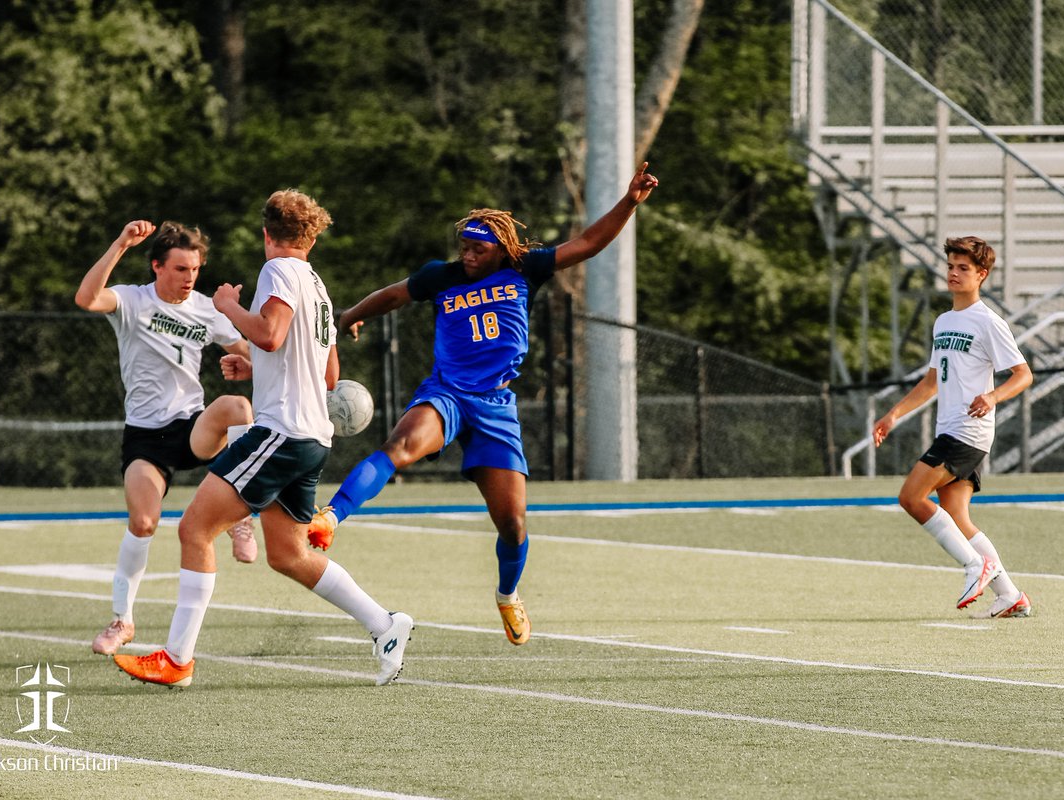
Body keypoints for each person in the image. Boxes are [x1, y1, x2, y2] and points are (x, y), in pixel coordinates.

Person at [307, 163, 660, 646]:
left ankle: (508, 595)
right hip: (448, 394)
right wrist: (349, 316)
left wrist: (629, 202)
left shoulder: (526, 269)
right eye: (465, 248)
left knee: (513, 524)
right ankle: (331, 517)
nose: (469, 256)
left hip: (495, 406)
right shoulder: (443, 276)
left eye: (479, 249)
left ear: (502, 249)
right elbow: (392, 295)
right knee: (399, 445)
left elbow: (588, 245)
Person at [113, 189, 413, 688]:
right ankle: (385, 625)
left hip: (281, 433)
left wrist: (229, 306)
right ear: (311, 237)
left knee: (193, 530)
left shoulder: (278, 271)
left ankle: (177, 659)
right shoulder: (318, 285)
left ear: (267, 234)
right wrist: (256, 368)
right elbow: (326, 372)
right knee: (288, 554)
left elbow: (271, 334)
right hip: (312, 436)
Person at [75, 220, 257, 657]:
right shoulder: (134, 300)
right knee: (143, 523)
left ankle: (241, 514)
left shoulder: (205, 309)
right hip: (144, 436)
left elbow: (252, 352)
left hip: (190, 428)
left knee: (237, 408)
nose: (189, 277)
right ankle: (122, 621)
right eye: (179, 268)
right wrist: (120, 243)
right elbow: (86, 298)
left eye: (194, 269)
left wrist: (249, 364)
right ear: (157, 266)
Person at [873, 236, 1033, 618]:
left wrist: (992, 397)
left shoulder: (988, 321)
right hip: (950, 428)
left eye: (964, 268)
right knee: (957, 518)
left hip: (968, 431)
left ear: (982, 275)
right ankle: (1010, 595)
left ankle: (974, 566)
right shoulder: (944, 321)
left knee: (911, 497)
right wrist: (893, 414)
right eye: (951, 267)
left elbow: (1023, 375)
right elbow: (931, 382)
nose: (954, 273)